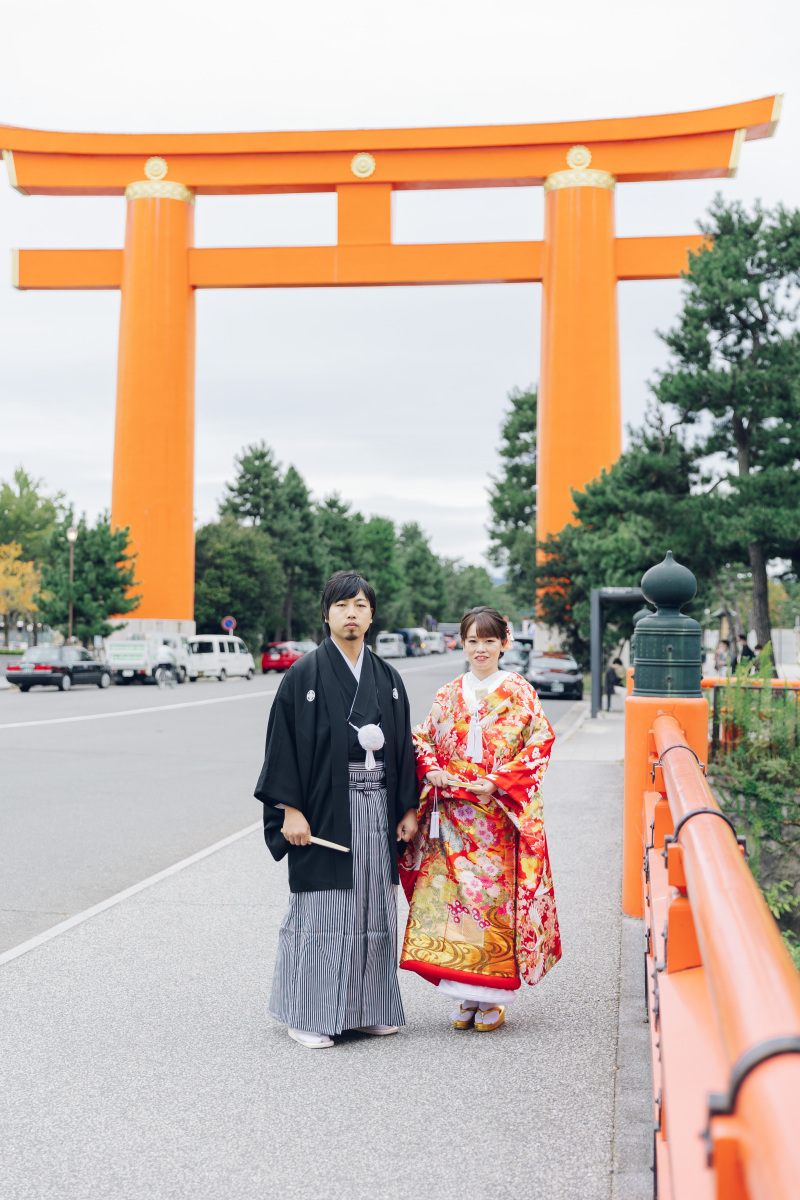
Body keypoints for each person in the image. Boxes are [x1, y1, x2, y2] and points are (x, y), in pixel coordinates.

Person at [254, 571, 419, 1049]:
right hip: (324, 810)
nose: (352, 613)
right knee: (325, 911)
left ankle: (366, 1009)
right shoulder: (303, 675)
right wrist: (289, 809)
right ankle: (307, 1012)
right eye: (343, 605)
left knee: (373, 909)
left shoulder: (387, 678)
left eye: (361, 606)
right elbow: (282, 747)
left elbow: (403, 750)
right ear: (325, 614)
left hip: (378, 809)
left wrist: (407, 808)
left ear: (371, 616)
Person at [399, 606, 559, 1033]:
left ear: (504, 643)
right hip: (453, 813)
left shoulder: (520, 691)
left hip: (497, 817)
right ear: (462, 644)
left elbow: (540, 742)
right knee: (459, 901)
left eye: (489, 640)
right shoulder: (449, 692)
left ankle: (493, 995)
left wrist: (500, 780)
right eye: (472, 640)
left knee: (492, 901)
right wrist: (430, 767)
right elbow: (422, 737)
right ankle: (467, 991)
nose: (481, 649)